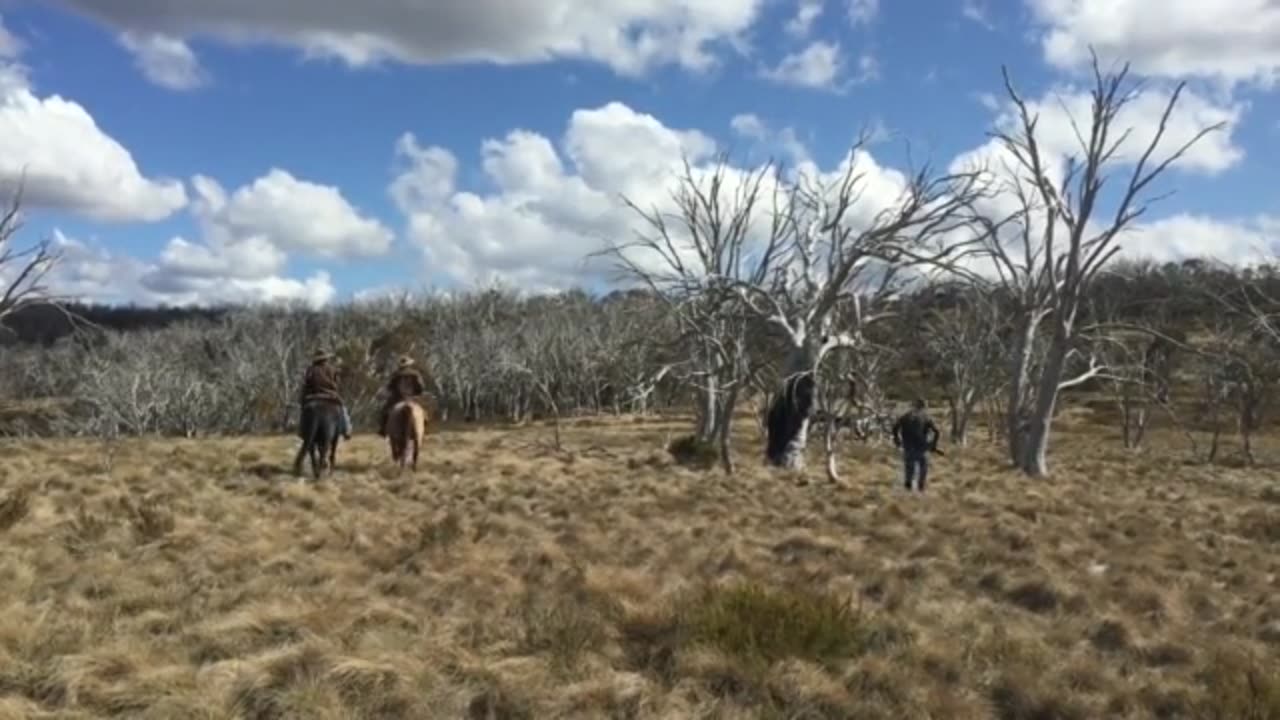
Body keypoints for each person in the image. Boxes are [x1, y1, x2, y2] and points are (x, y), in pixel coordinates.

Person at [299, 349, 351, 440]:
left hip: (313, 396)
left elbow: (306, 384)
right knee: (343, 409)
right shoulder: (332, 369)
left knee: (304, 411)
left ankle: (301, 430)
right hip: (330, 395)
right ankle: (346, 429)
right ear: (326, 359)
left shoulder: (310, 370)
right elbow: (337, 384)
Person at [892, 397, 940, 492]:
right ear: (923, 407)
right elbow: (937, 431)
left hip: (908, 446)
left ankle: (908, 487)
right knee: (923, 468)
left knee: (909, 468)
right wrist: (933, 445)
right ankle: (920, 488)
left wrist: (897, 441)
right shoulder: (926, 417)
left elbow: (895, 428)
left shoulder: (905, 416)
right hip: (922, 447)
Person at [378, 355, 427, 437]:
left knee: (385, 411)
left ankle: (383, 429)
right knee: (424, 412)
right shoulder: (415, 374)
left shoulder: (396, 374)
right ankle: (424, 427)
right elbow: (421, 387)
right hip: (412, 398)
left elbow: (390, 387)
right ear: (410, 364)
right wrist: (418, 393)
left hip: (398, 398)